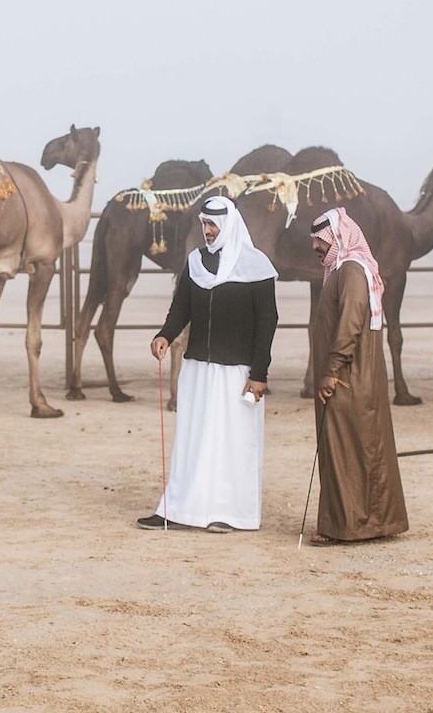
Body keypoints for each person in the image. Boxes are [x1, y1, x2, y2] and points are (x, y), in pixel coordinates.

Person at [139, 195, 279, 534]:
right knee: (193, 440)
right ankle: (178, 509)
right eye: (204, 224)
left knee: (231, 442)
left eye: (213, 224)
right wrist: (165, 335)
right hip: (199, 368)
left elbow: (267, 321)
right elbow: (182, 307)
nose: (208, 230)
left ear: (228, 224)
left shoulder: (255, 265)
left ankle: (228, 514)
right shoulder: (196, 262)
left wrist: (258, 374)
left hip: (237, 373)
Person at [308, 208, 408, 544]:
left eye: (320, 241)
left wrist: (331, 371)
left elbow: (350, 324)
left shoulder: (351, 271)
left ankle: (347, 526)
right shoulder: (343, 271)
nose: (316, 248)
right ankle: (370, 523)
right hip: (356, 378)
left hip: (349, 378)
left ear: (338, 238)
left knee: (344, 451)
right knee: (362, 449)